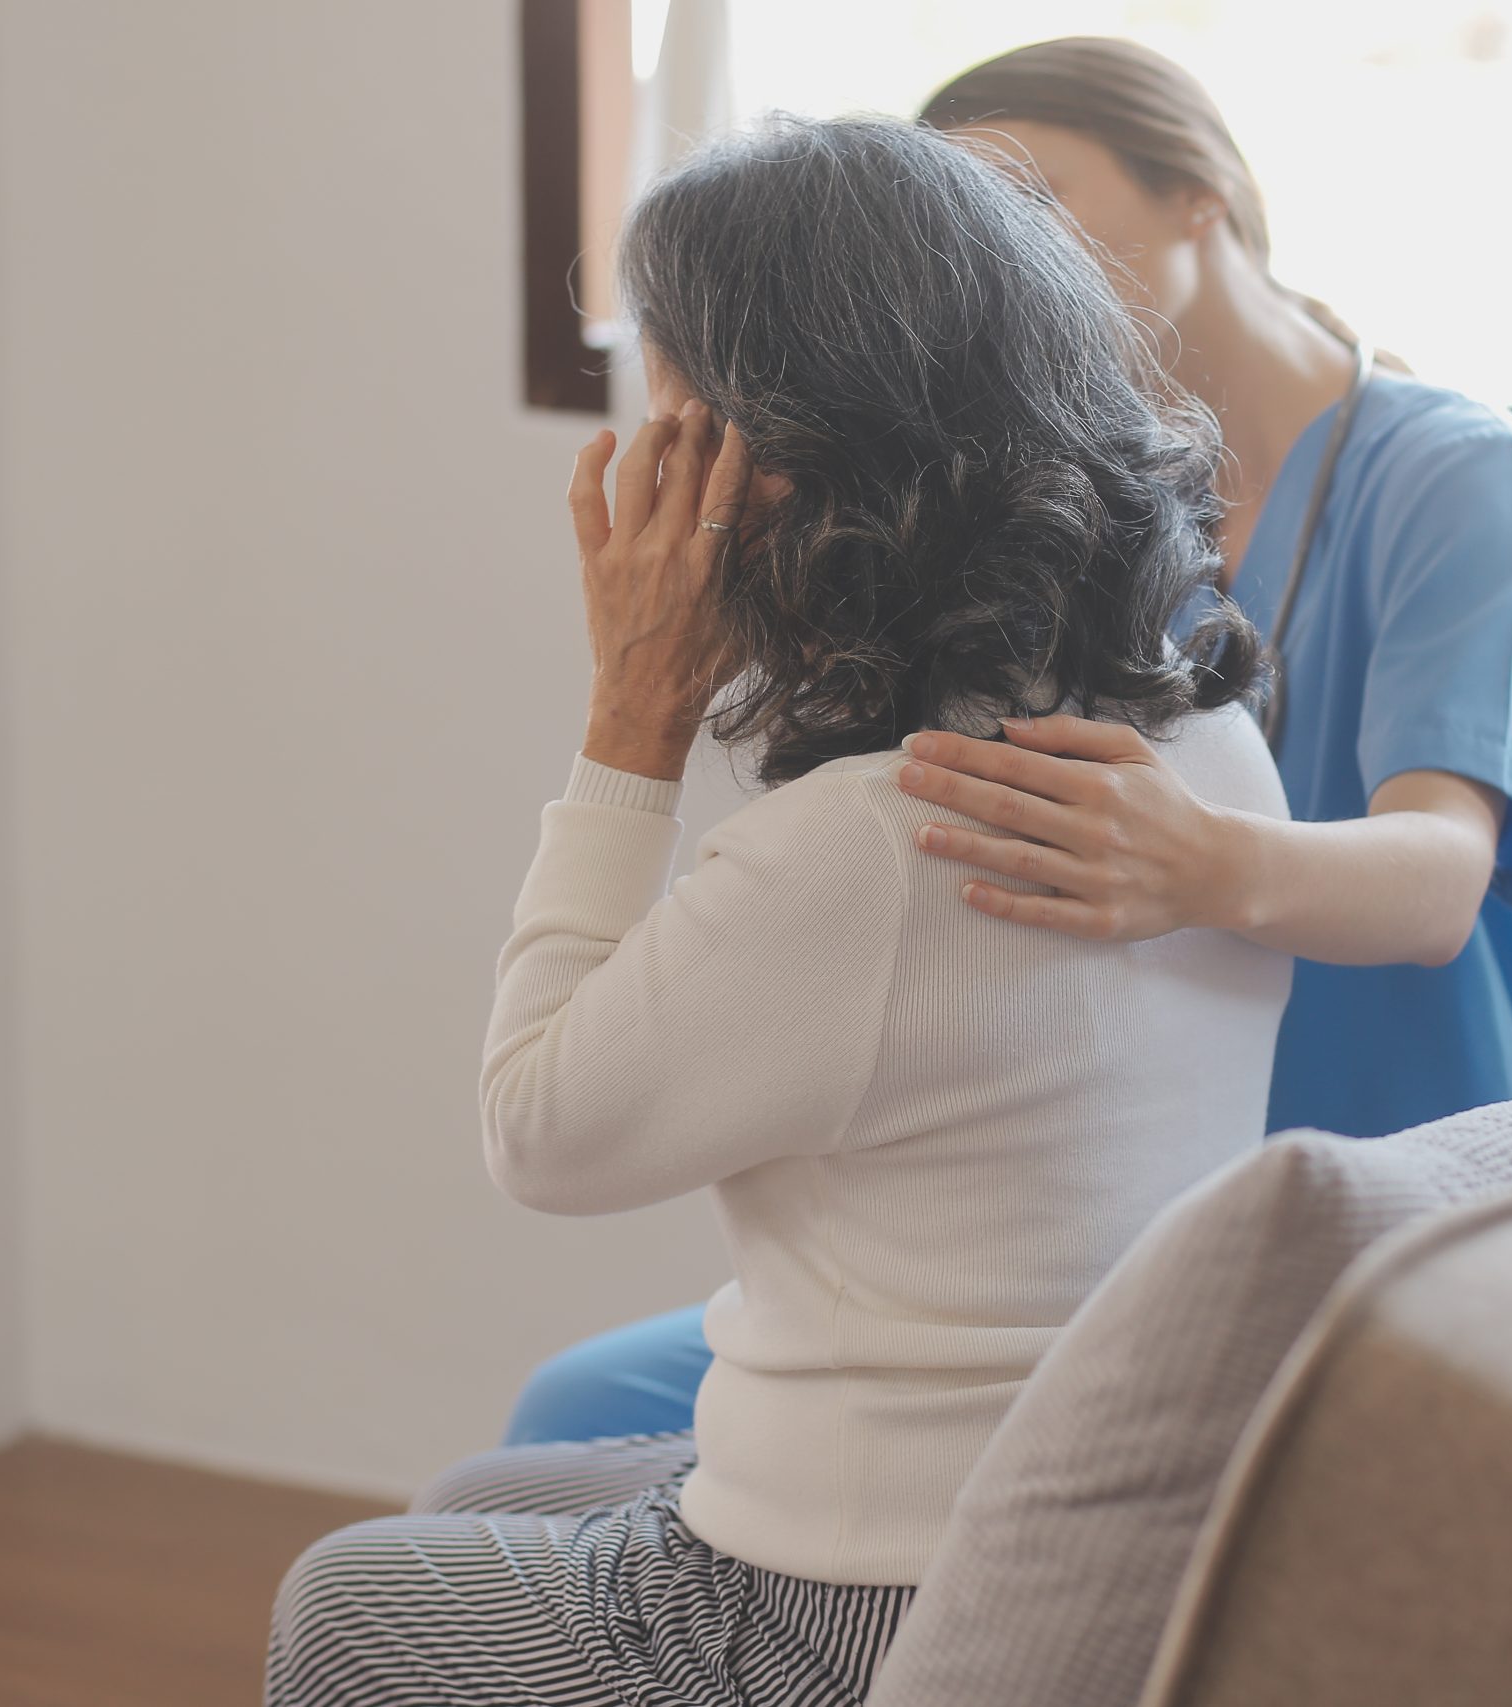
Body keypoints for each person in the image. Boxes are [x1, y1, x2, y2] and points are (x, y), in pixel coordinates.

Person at [266, 114, 1292, 1704]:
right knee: (481, 1500)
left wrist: (631, 723)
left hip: (873, 1598)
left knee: (352, 1604)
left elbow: (542, 1134)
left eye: (666, 402)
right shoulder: (1201, 744)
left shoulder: (883, 843)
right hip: (1101, 1538)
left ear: (768, 452)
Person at [502, 36, 1512, 1453]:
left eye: (1037, 196)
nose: (1018, 250)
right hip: (1138, 1220)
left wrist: (1206, 863)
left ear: (1201, 192)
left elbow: (1438, 884)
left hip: (1393, 1211)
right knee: (583, 1407)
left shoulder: (1465, 485)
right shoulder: (1096, 506)